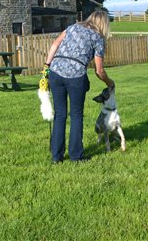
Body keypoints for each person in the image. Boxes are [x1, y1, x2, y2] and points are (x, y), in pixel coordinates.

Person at [44, 9, 115, 163]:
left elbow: (55, 44)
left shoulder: (72, 27)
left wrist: (47, 66)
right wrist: (110, 83)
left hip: (55, 72)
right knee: (76, 116)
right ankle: (76, 156)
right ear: (104, 24)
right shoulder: (98, 37)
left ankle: (57, 157)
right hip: (75, 76)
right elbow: (99, 71)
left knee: (60, 115)